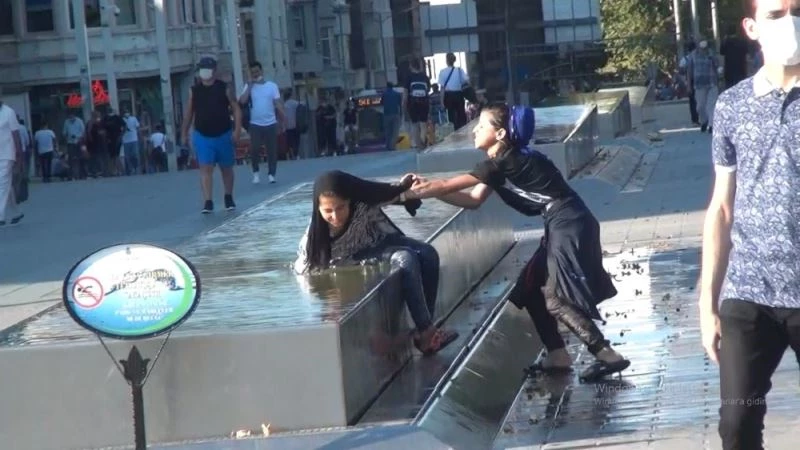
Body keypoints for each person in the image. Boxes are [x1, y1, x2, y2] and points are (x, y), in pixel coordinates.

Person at [404, 104, 629, 382]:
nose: (474, 130)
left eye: (481, 125)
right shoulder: (505, 161)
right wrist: (427, 188)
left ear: (500, 134)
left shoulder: (505, 161)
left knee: (556, 299)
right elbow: (472, 200)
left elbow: (448, 185)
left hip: (569, 225)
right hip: (566, 222)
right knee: (530, 287)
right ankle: (557, 354)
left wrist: (401, 194)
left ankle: (607, 355)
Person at [701, 1, 800, 449]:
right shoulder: (733, 105)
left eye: (797, 12)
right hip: (749, 293)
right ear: (752, 27)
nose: (789, 23)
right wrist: (707, 303)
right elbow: (722, 208)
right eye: (776, 14)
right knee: (737, 423)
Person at [293, 170, 458, 355]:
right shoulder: (313, 239)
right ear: (318, 208)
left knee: (428, 253)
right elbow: (303, 272)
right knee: (406, 257)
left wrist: (403, 186)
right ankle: (427, 332)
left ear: (349, 201)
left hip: (379, 241)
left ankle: (426, 328)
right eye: (328, 211)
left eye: (341, 208)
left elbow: (390, 195)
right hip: (356, 256)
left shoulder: (362, 204)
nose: (336, 216)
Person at [181, 56, 242, 214]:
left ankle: (228, 196)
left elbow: (236, 109)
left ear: (214, 71)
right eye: (202, 69)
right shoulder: (194, 91)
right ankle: (208, 201)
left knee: (226, 168)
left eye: (207, 68)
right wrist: (184, 132)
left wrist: (237, 130)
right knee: (205, 168)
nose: (204, 72)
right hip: (202, 135)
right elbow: (189, 113)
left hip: (223, 134)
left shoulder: (224, 88)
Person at [238, 61, 284, 184]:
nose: (255, 74)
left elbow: (277, 103)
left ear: (261, 71)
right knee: (254, 149)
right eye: (253, 72)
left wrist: (282, 119)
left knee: (272, 150)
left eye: (257, 71)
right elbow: (242, 101)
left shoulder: (272, 86)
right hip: (255, 124)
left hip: (271, 123)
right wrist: (250, 85)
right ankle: (256, 173)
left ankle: (271, 174)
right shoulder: (249, 86)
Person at [686, 38, 721, 133]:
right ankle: (704, 120)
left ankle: (711, 125)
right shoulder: (692, 55)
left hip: (712, 83)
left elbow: (718, 66)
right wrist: (689, 85)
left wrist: (720, 80)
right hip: (699, 85)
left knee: (711, 105)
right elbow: (689, 71)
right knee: (700, 106)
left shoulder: (711, 53)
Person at [0, 94, 23, 226]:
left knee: (2, 184)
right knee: (6, 186)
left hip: (7, 154)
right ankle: (16, 212)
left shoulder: (9, 112)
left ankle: (0, 216)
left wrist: (19, 155)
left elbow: (16, 134)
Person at [404, 58, 431, 150]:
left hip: (412, 103)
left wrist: (404, 104)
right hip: (424, 102)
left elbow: (405, 93)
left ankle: (418, 146)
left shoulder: (409, 77)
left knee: (414, 124)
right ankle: (422, 142)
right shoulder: (425, 77)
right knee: (423, 124)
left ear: (411, 66)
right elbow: (428, 90)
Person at [437, 52, 468, 130]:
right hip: (459, 94)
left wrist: (441, 102)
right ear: (454, 60)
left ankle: (454, 131)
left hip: (448, 96)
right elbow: (466, 81)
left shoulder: (443, 72)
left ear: (446, 61)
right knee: (461, 114)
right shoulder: (459, 70)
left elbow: (442, 88)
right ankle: (463, 130)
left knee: (451, 116)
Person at [381, 83, 402, 151]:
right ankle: (392, 146)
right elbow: (400, 104)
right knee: (395, 132)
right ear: (392, 87)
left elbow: (382, 103)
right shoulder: (397, 94)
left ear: (387, 87)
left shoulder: (384, 94)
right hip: (395, 114)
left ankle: (388, 146)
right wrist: (400, 114)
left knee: (388, 131)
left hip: (386, 115)